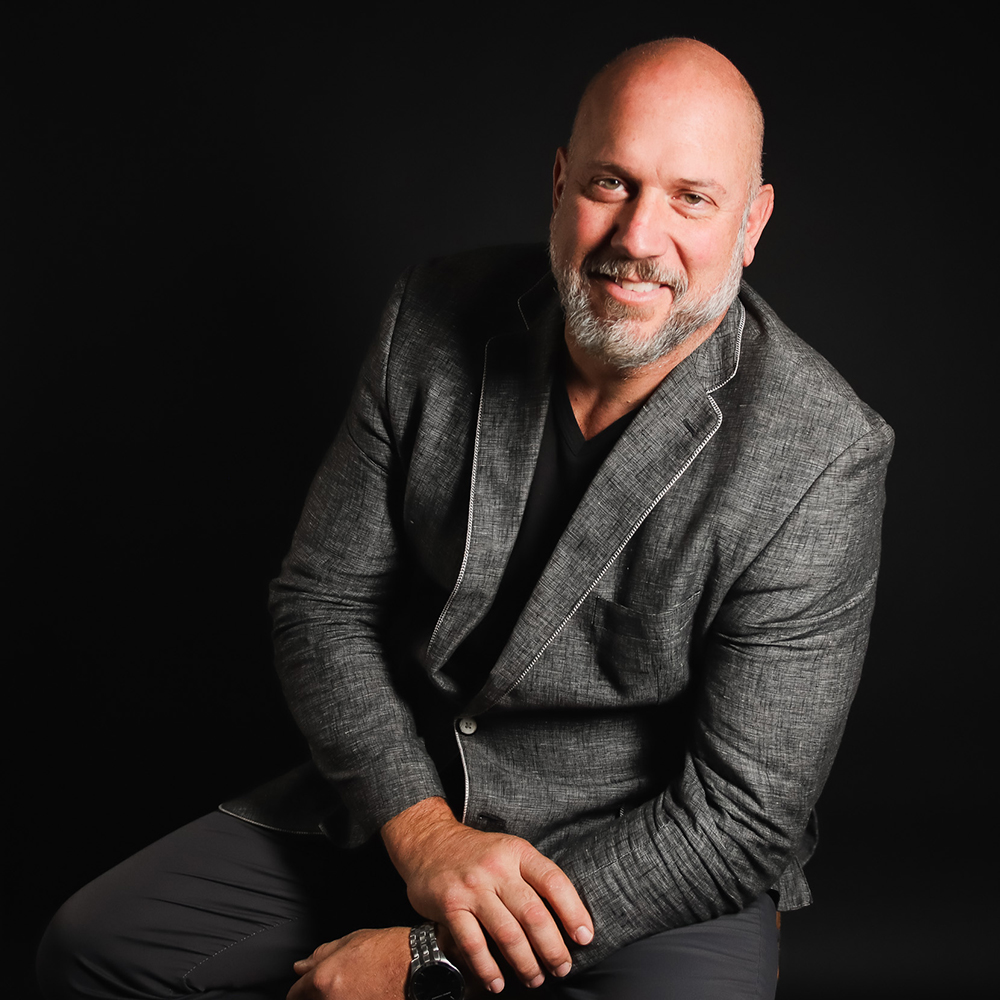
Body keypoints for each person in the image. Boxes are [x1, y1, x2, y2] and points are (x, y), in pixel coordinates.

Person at [38, 37, 892, 1000]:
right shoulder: (432, 315)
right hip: (408, 792)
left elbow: (741, 817)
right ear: (561, 179)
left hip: (648, 859)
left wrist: (422, 959)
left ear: (752, 221)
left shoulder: (823, 453)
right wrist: (424, 833)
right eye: (613, 182)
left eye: (692, 197)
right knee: (90, 948)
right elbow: (320, 605)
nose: (639, 237)